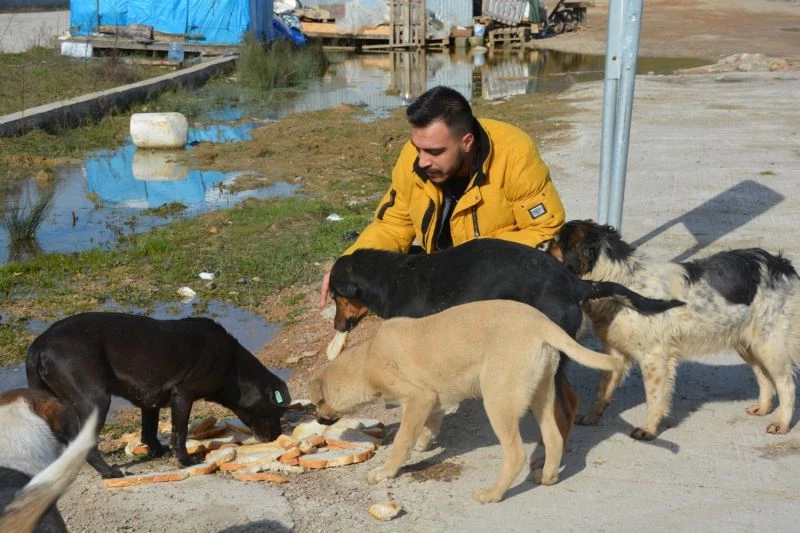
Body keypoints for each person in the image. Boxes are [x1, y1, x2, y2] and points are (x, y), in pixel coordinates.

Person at [320, 85, 566, 305]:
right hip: (442, 280)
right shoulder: (413, 159)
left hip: (499, 280)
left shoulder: (514, 153)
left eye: (434, 152)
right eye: (418, 148)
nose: (422, 161)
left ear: (466, 142)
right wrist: (349, 266)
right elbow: (392, 226)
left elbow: (546, 231)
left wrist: (474, 259)